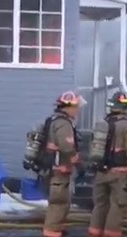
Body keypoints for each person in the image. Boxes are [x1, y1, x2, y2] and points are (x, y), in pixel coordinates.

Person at [88, 91, 127, 237]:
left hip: (101, 173)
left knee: (100, 206)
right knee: (117, 207)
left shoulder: (103, 123)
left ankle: (94, 233)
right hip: (119, 174)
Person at [41, 91, 86, 237]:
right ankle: (52, 233)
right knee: (58, 206)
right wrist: (78, 163)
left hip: (57, 171)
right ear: (68, 107)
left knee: (62, 204)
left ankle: (56, 230)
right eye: (76, 107)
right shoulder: (63, 124)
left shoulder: (55, 121)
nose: (77, 110)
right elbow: (67, 147)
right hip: (59, 172)